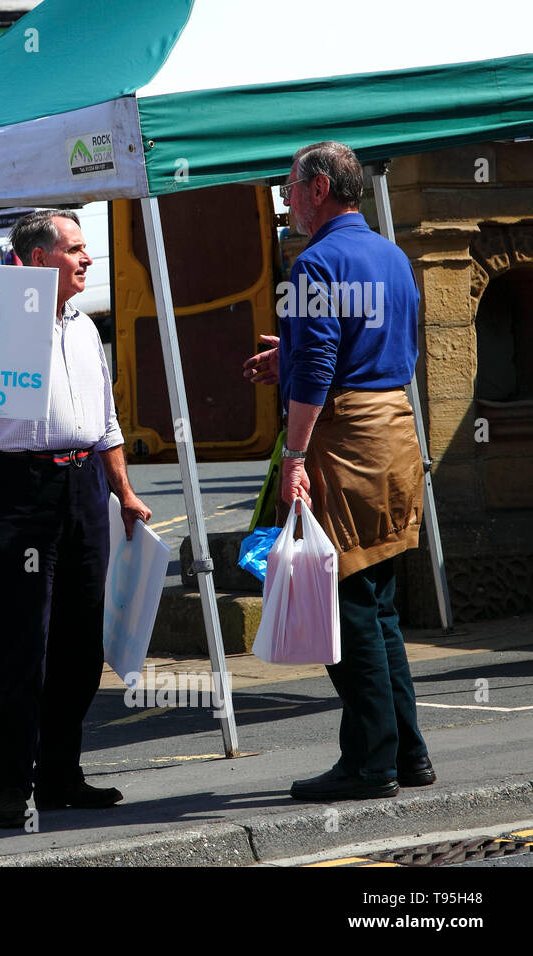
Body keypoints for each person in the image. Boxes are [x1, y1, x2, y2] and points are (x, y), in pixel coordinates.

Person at [0, 209, 152, 828]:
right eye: (77, 249)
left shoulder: (86, 328)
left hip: (84, 483)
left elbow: (106, 421)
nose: (88, 259)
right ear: (37, 261)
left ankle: (61, 776)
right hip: (21, 486)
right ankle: (9, 787)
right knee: (22, 644)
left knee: (82, 644)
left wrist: (125, 491)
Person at [243, 141, 432, 802]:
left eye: (291, 187)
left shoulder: (315, 262)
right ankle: (408, 752)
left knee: (349, 603)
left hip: (346, 438)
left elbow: (323, 367)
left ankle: (370, 762)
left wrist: (293, 455)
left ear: (318, 189)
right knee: (377, 602)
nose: (285, 200)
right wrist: (288, 352)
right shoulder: (391, 253)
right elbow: (379, 341)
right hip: (395, 428)